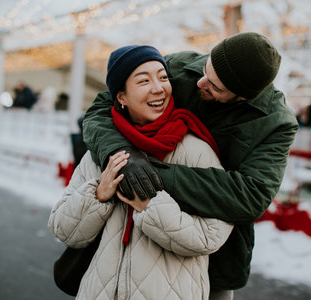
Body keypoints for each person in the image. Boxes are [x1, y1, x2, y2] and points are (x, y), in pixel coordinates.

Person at [83, 32, 299, 298]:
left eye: (216, 87)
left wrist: (152, 174)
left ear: (243, 97)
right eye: (207, 68)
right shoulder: (179, 67)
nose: (201, 82)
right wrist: (122, 153)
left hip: (215, 251)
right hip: (141, 239)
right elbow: (101, 108)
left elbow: (252, 195)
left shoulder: (277, 123)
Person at [48, 45, 233, 299]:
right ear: (121, 97)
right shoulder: (104, 150)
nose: (158, 88)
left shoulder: (196, 150)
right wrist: (98, 195)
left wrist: (150, 206)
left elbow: (211, 236)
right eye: (144, 80)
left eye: (163, 77)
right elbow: (62, 229)